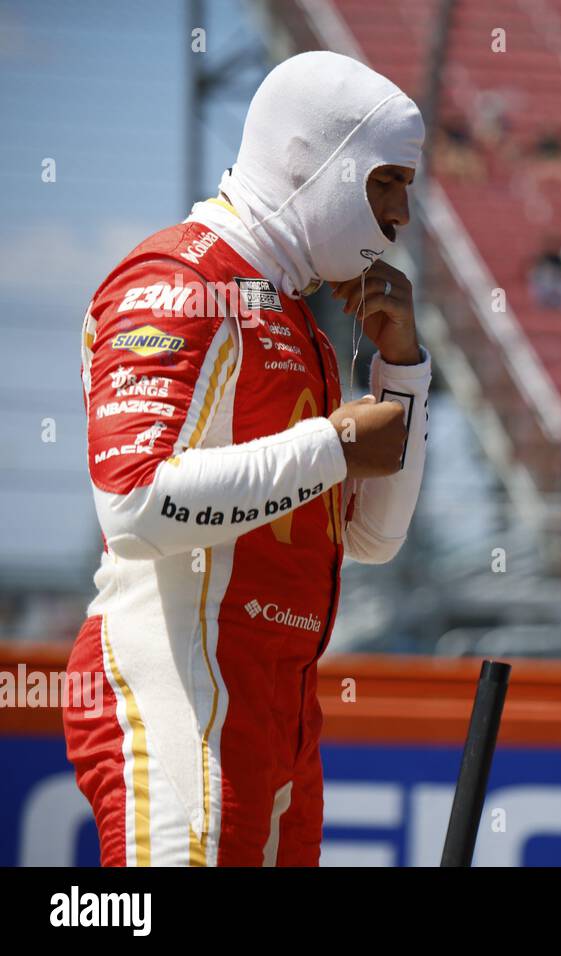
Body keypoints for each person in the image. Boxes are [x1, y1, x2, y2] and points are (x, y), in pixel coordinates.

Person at [63, 51, 431, 866]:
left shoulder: (296, 319)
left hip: (278, 707)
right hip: (180, 698)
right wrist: (334, 443)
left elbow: (373, 539)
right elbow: (131, 507)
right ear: (315, 162)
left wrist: (404, 371)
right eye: (386, 182)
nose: (404, 213)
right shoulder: (174, 278)